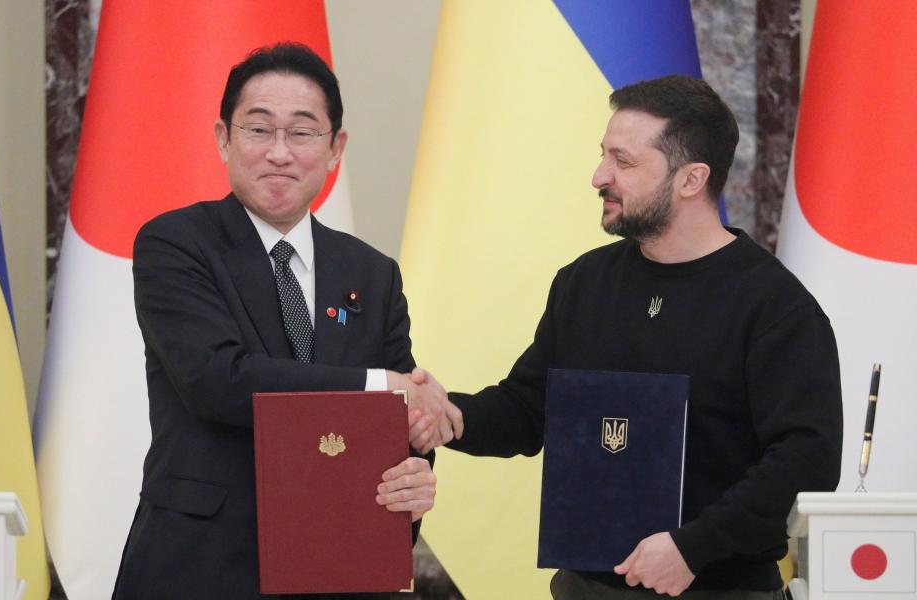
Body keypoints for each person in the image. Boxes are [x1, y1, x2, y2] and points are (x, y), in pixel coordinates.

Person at [419, 75, 842, 598]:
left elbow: (807, 460)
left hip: (717, 587)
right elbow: (529, 410)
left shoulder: (775, 306)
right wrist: (450, 417)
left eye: (623, 162)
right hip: (585, 585)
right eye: (603, 156)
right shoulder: (583, 283)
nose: (599, 176)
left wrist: (695, 547)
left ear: (691, 180)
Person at [112, 43, 459, 599]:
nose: (279, 153)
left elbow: (395, 425)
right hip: (200, 568)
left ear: (335, 148)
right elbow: (218, 380)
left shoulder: (372, 273)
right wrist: (380, 388)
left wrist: (415, 461)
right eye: (258, 130)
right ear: (223, 138)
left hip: (339, 564)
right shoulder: (176, 243)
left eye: (301, 133)